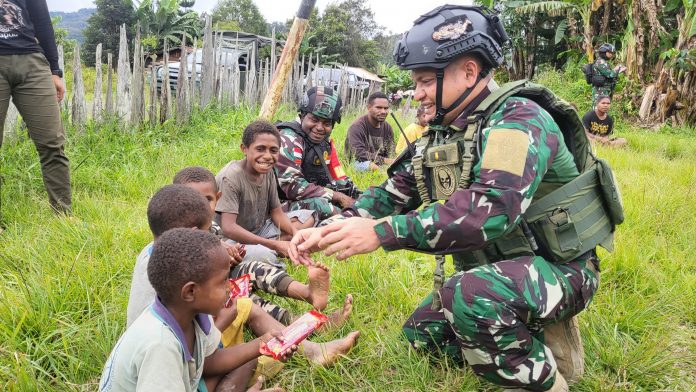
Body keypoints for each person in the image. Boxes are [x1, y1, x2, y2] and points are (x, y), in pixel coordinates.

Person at [289, 5, 619, 392]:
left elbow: (489, 212)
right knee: (420, 338)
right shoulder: (441, 134)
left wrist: (381, 232)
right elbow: (393, 193)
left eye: (427, 81)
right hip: (497, 266)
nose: (418, 94)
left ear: (468, 71)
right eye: (416, 82)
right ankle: (523, 333)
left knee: (469, 297)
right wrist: (329, 228)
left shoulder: (518, 120)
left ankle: (547, 379)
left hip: (562, 270)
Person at [104, 228, 359, 392]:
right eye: (223, 281)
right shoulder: (160, 345)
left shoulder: (190, 313)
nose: (231, 287)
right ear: (191, 292)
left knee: (248, 358)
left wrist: (261, 343)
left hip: (187, 381)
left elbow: (210, 362)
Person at [173, 166, 354, 326]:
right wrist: (220, 256)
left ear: (217, 199)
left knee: (255, 268)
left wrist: (230, 255)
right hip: (202, 297)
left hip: (220, 279)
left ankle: (308, 292)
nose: (200, 207)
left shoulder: (211, 226)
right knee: (245, 301)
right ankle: (301, 323)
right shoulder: (175, 231)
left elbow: (216, 242)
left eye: (207, 200)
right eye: (193, 200)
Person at [0, 0, 71, 214]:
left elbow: (42, 23)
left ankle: (63, 214)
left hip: (32, 63)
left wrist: (54, 71)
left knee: (52, 143)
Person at [216, 120, 316, 268]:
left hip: (261, 229)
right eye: (260, 149)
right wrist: (273, 245)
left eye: (273, 150)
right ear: (244, 149)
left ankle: (284, 244)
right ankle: (275, 249)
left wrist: (296, 234)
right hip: (232, 239)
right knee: (265, 256)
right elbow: (229, 228)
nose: (268, 156)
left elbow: (276, 211)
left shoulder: (267, 170)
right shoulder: (231, 177)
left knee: (308, 218)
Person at [276, 86, 360, 222]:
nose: (320, 128)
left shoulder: (324, 144)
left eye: (327, 123)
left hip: (304, 197)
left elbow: (338, 175)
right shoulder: (289, 138)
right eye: (314, 120)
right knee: (328, 208)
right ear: (302, 115)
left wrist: (360, 195)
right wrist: (337, 196)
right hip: (276, 205)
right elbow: (293, 187)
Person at [344, 92, 396, 172]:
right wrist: (385, 161)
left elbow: (391, 151)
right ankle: (384, 174)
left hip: (380, 163)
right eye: (378, 107)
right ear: (369, 107)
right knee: (371, 166)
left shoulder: (387, 127)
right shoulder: (357, 127)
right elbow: (359, 154)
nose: (383, 111)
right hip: (357, 163)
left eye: (386, 108)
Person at [591, 43, 625, 107]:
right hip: (600, 91)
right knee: (598, 111)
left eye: (612, 53)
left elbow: (609, 74)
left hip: (604, 90)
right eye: (609, 53)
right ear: (604, 52)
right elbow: (610, 74)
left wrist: (618, 70)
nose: (611, 55)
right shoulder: (600, 62)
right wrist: (617, 68)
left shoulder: (604, 62)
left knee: (603, 112)